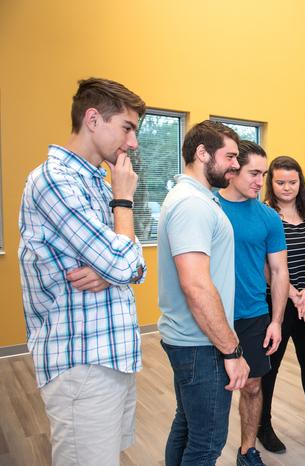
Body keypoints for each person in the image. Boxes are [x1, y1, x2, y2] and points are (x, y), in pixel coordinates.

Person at [18, 77, 146, 466]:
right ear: (93, 119)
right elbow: (124, 260)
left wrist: (112, 268)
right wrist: (123, 202)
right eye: (127, 128)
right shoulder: (55, 180)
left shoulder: (94, 182)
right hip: (83, 363)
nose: (133, 143)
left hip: (112, 357)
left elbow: (133, 264)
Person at [158, 120, 250, 465]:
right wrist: (231, 350)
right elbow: (195, 285)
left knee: (187, 426)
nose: (236, 165)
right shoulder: (191, 204)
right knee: (207, 442)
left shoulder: (195, 199)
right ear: (202, 153)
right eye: (230, 156)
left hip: (193, 340)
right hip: (201, 344)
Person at [217, 141, 288, 466]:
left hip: (252, 315)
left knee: (254, 385)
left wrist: (276, 320)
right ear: (232, 171)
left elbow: (278, 270)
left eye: (264, 173)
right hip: (210, 317)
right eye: (254, 173)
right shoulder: (209, 207)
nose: (261, 181)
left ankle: (248, 449)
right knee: (213, 396)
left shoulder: (268, 217)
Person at [258, 156, 305, 454]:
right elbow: (265, 263)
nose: (287, 187)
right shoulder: (264, 214)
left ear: (300, 183)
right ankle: (263, 424)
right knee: (270, 366)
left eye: (292, 182)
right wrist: (291, 294)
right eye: (280, 182)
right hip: (278, 301)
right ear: (270, 183)